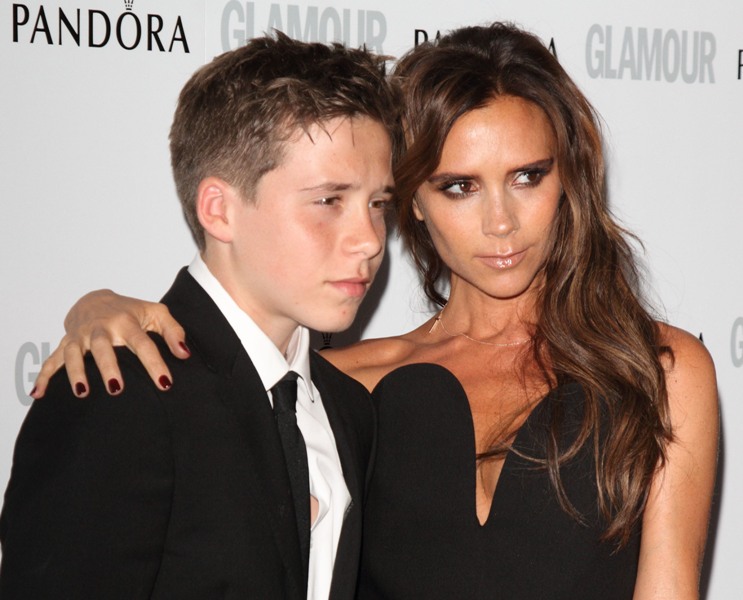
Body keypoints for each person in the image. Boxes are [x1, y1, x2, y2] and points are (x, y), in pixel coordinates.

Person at [29, 23, 718, 599]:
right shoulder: (339, 395)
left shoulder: (656, 370)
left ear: (568, 179)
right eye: (459, 187)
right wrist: (98, 307)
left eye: (527, 176)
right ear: (412, 199)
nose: (501, 222)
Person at [0, 32, 399, 599]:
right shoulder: (120, 391)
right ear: (219, 210)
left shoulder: (347, 409)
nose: (370, 240)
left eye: (378, 204)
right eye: (329, 201)